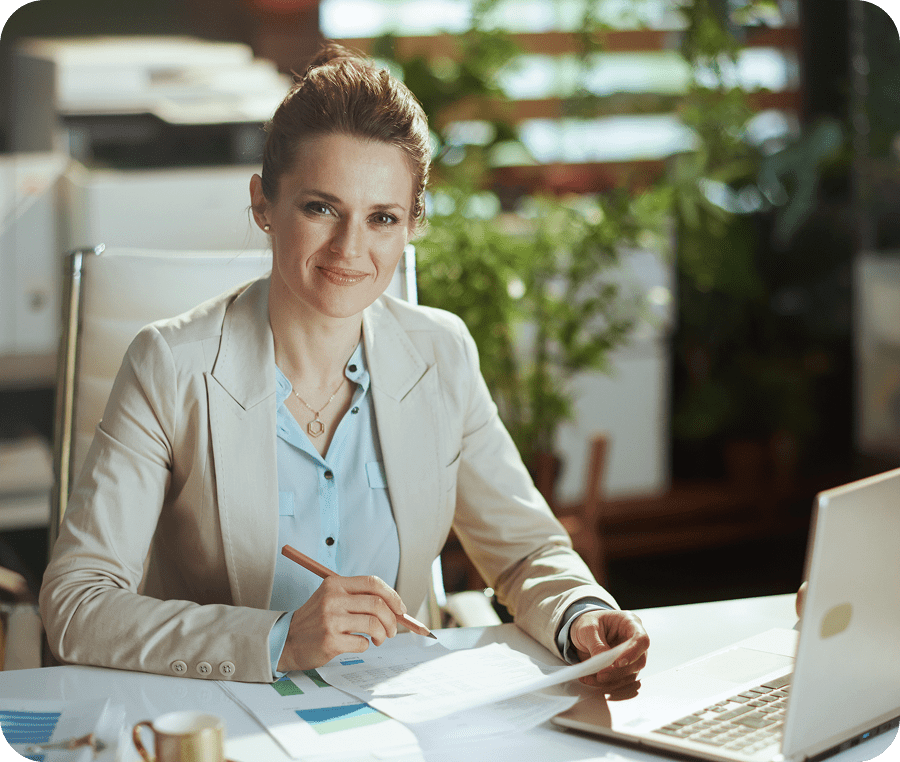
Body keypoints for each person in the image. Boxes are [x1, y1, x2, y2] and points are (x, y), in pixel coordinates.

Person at [40, 43, 649, 691]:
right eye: (321, 208)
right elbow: (77, 602)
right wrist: (278, 638)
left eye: (382, 217)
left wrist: (580, 613)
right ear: (263, 206)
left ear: (412, 225)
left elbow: (526, 550)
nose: (350, 250)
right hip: (227, 716)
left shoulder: (441, 353)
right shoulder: (170, 365)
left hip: (401, 713)